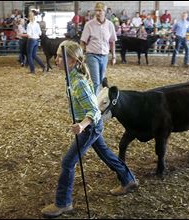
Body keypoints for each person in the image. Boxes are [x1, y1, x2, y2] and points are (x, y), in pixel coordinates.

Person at [41, 40, 139, 218]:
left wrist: (82, 125)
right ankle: (128, 180)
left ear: (72, 61)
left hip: (90, 127)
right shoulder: (71, 78)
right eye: (56, 56)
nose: (56, 60)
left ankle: (63, 203)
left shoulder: (79, 84)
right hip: (90, 126)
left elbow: (94, 111)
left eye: (60, 57)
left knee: (68, 162)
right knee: (105, 153)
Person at [80, 2, 117, 95]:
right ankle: (95, 104)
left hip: (104, 56)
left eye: (100, 10)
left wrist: (113, 56)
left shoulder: (110, 25)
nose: (97, 13)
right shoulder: (89, 24)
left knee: (102, 80)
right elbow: (83, 41)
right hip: (92, 55)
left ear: (105, 12)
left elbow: (112, 41)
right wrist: (80, 56)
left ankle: (98, 99)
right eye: (96, 10)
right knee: (96, 81)